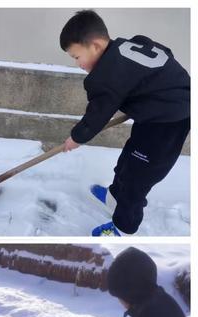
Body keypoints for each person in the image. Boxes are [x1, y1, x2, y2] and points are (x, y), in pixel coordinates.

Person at [60, 10, 190, 236]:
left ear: (96, 45)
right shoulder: (129, 46)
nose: (78, 64)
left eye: (76, 57)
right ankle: (115, 197)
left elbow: (97, 115)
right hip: (154, 115)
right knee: (128, 159)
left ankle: (124, 227)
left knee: (137, 179)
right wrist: (147, 97)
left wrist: (77, 137)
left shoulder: (105, 76)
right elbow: (164, 54)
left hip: (168, 123)